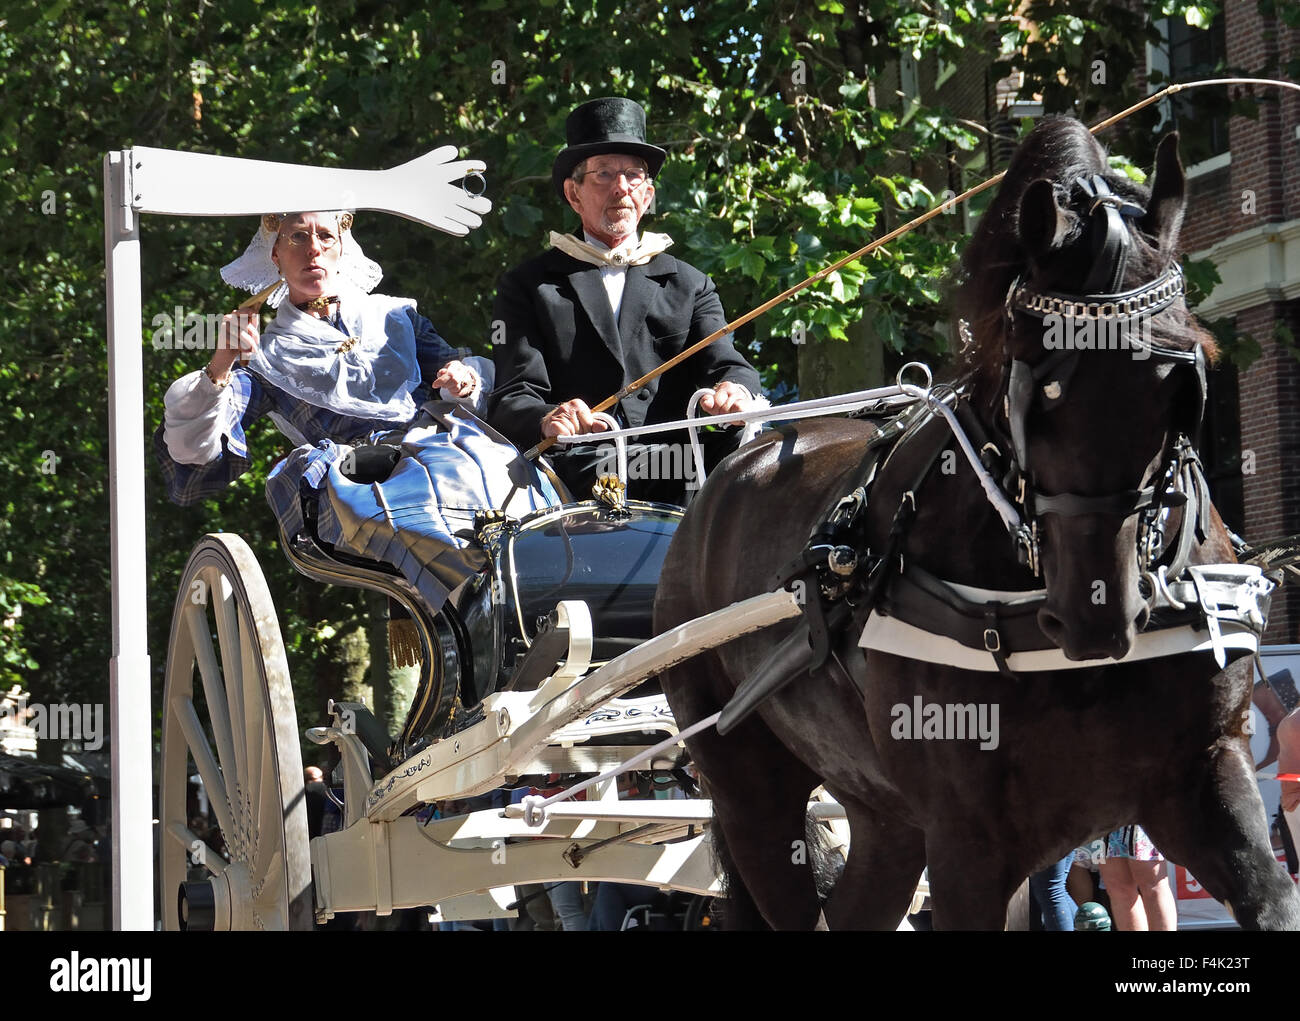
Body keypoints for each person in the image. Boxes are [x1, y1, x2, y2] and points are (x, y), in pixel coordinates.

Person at [156, 210, 560, 615]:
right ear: (274, 254)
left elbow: (456, 366)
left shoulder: (394, 317)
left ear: (342, 248)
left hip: (444, 447)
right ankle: (478, 609)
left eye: (325, 237)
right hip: (362, 477)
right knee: (421, 502)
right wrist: (221, 363)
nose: (313, 248)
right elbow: (197, 448)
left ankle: (539, 585)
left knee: (500, 471)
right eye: (297, 237)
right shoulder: (265, 355)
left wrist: (462, 379)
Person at [488, 97, 764, 504]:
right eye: (603, 174)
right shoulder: (528, 285)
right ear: (573, 193)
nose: (621, 187)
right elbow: (513, 396)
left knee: (772, 462)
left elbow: (728, 364)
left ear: (648, 194)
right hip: (580, 462)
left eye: (633, 176)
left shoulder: (690, 283)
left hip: (680, 458)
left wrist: (732, 392)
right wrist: (550, 418)